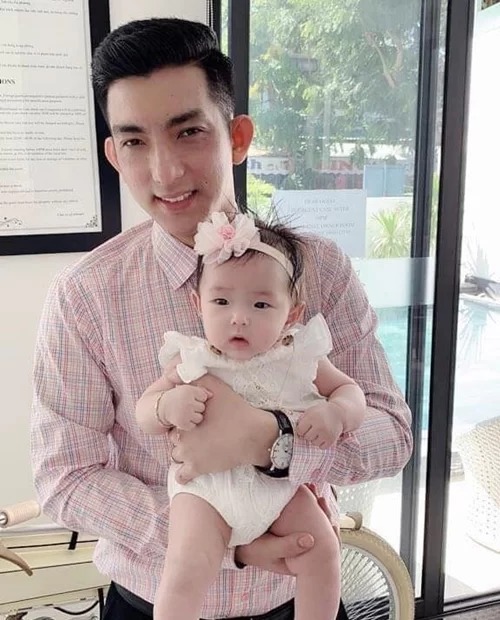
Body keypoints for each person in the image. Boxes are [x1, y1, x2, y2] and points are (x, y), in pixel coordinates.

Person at [31, 16, 412, 620]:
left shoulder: (319, 269)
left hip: (297, 600)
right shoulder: (85, 296)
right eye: (135, 142)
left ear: (237, 137)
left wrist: (272, 440)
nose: (165, 172)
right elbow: (65, 475)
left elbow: (391, 433)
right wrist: (223, 541)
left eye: (188, 132)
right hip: (153, 599)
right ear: (114, 155)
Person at [136, 212, 367, 620]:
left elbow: (352, 391)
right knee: (185, 567)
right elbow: (144, 411)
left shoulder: (298, 356)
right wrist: (166, 406)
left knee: (322, 549)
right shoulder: (192, 359)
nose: (238, 317)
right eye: (221, 302)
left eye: (261, 304)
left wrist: (337, 412)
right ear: (198, 304)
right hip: (205, 491)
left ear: (291, 314)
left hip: (279, 489)